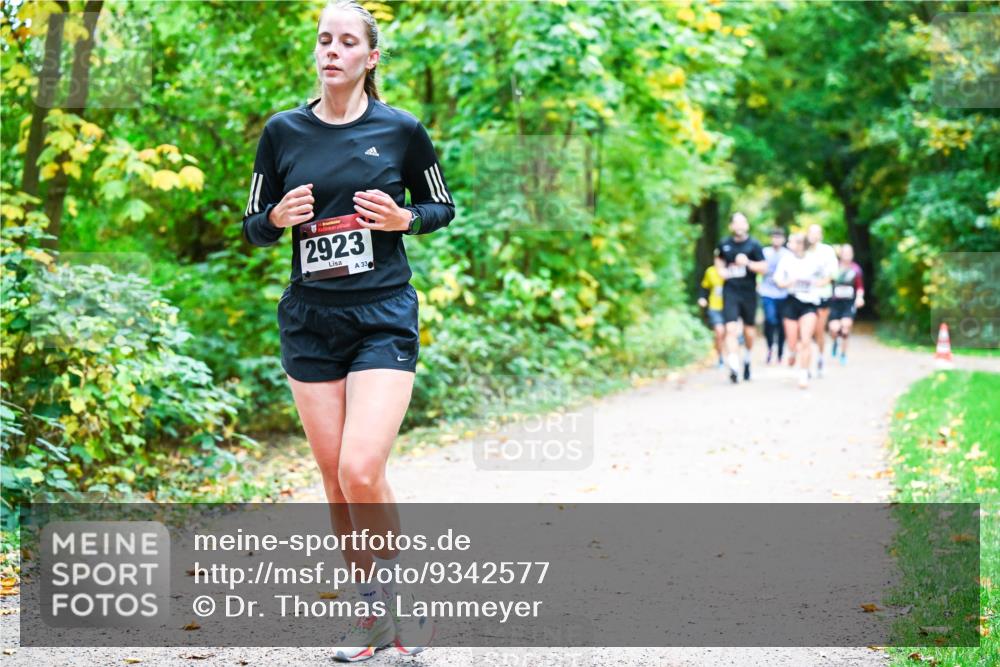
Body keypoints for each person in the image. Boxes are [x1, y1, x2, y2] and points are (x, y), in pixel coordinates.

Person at [241, 1, 455, 660]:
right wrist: (276, 216)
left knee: (362, 466)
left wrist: (403, 221)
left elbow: (441, 204)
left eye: (346, 41)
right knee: (335, 480)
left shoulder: (402, 129)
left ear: (370, 57)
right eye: (323, 40)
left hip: (383, 312)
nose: (331, 50)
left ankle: (401, 605)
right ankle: (370, 615)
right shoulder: (283, 132)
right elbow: (252, 225)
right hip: (310, 320)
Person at [715, 212, 768, 384]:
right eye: (736, 223)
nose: (739, 226)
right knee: (730, 328)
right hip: (730, 291)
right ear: (731, 226)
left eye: (742, 222)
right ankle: (734, 365)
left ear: (747, 225)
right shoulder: (724, 244)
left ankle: (746, 358)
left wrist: (748, 263)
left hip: (749, 292)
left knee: (749, 331)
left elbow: (764, 268)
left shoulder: (754, 245)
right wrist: (723, 271)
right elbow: (719, 263)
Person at [774, 232, 829, 389]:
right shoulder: (786, 260)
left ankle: (804, 373)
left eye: (792, 241)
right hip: (791, 302)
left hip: (809, 303)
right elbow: (778, 281)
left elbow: (827, 277)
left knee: (806, 340)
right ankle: (791, 353)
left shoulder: (814, 260)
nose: (789, 244)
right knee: (792, 342)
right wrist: (789, 282)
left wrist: (816, 283)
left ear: (800, 244)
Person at [805, 224, 838, 377]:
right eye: (811, 233)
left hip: (822, 296)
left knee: (818, 330)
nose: (814, 235)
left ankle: (820, 358)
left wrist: (819, 283)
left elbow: (832, 274)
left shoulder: (827, 251)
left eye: (817, 233)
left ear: (821, 235)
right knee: (807, 331)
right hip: (805, 297)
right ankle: (808, 362)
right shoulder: (803, 250)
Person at [828, 243, 865, 365]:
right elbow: (827, 283)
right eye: (844, 253)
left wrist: (859, 298)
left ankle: (843, 354)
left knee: (845, 327)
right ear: (840, 254)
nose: (847, 256)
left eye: (849, 253)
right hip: (834, 303)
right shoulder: (834, 268)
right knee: (834, 329)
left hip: (848, 303)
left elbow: (859, 287)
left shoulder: (856, 270)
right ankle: (834, 342)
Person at [758, 227, 790, 364]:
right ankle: (771, 347)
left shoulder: (788, 254)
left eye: (779, 237)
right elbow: (758, 269)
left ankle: (781, 352)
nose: (776, 240)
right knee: (770, 321)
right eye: (774, 237)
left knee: (782, 324)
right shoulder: (764, 252)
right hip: (767, 292)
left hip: (784, 294)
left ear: (783, 239)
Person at [697, 264, 726, 368]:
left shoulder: (733, 269)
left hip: (730, 307)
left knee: (728, 334)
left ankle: (731, 356)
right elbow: (704, 287)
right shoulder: (710, 271)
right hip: (714, 306)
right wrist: (702, 298)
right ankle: (720, 357)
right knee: (719, 332)